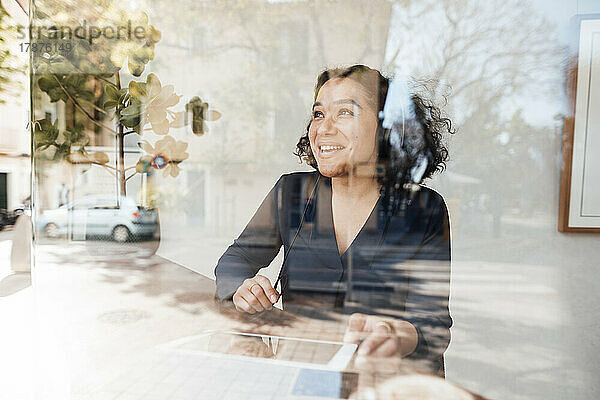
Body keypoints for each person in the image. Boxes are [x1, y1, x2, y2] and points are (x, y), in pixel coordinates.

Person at [214, 65, 454, 376]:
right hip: (301, 377)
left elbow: (433, 328)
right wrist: (242, 289)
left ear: (387, 128)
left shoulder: (422, 209)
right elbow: (236, 259)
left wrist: (392, 333)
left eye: (344, 113)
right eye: (318, 114)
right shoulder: (292, 192)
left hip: (385, 386)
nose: (324, 128)